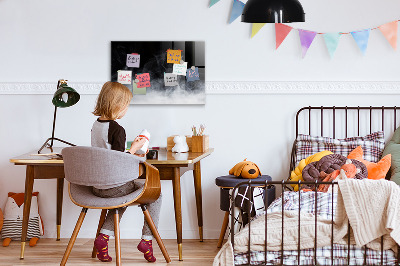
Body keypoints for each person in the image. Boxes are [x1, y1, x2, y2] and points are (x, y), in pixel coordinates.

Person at [91, 81, 161, 263]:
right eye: (126, 105)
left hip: (97, 186)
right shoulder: (117, 129)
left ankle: (103, 238)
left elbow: (108, 154)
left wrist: (130, 149)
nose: (126, 109)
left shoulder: (96, 125)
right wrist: (135, 149)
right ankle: (147, 240)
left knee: (121, 198)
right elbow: (118, 161)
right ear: (117, 105)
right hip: (114, 186)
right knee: (156, 194)